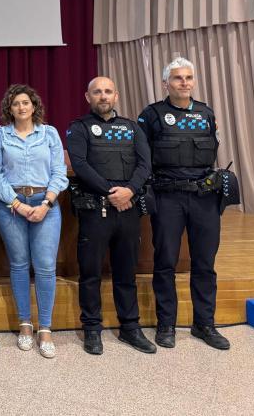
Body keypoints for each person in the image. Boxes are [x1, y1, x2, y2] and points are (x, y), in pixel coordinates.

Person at [137, 57, 230, 350]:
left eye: (189, 78)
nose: (184, 83)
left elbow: (213, 150)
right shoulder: (151, 115)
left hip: (204, 197)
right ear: (166, 83)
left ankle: (205, 324)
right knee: (165, 262)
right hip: (167, 197)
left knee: (205, 263)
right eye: (178, 78)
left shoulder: (205, 113)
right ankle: (166, 324)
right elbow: (142, 157)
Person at [66, 77, 157, 355]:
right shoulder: (78, 128)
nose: (103, 96)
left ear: (116, 96)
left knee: (125, 272)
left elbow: (145, 164)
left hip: (128, 209)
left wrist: (128, 191)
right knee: (90, 273)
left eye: (107, 91)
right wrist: (111, 192)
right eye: (97, 92)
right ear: (87, 96)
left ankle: (130, 327)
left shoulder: (131, 128)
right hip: (96, 210)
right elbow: (79, 165)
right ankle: (92, 328)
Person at [0, 84, 68, 358]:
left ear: (34, 106)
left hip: (47, 205)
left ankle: (45, 327)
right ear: (9, 109)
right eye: (15, 104)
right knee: (19, 265)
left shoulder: (50, 133)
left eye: (25, 103)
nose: (21, 107)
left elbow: (60, 172)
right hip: (11, 206)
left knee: (45, 267)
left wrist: (46, 203)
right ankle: (25, 324)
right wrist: (17, 204)